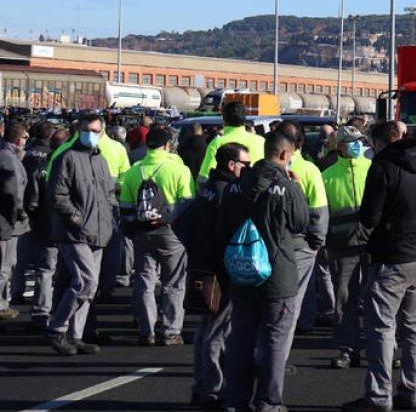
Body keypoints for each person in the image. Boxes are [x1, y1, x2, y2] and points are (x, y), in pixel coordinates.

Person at [341, 120, 416, 412]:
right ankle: (412, 390)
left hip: (391, 255)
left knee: (381, 327)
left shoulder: (383, 166)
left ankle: (379, 395)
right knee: (413, 326)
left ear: (380, 142)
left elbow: (370, 217)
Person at [220, 130, 309, 412]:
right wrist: (296, 189)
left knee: (240, 337)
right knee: (274, 339)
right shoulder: (287, 186)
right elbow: (300, 224)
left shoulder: (237, 184)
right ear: (284, 154)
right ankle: (269, 401)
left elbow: (225, 219)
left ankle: (235, 399)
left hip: (242, 269)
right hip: (277, 273)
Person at [117, 124, 194, 346]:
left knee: (144, 281)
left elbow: (126, 206)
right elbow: (188, 203)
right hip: (172, 234)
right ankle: (170, 331)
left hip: (143, 233)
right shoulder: (179, 170)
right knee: (174, 283)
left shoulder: (134, 171)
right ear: (167, 145)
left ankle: (146, 329)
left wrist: (135, 229)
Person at [47, 113, 115, 356]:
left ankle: (75, 335)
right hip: (74, 232)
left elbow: (108, 194)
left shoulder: (101, 161)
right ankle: (57, 328)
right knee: (86, 282)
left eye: (96, 130)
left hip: (99, 231)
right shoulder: (67, 158)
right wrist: (77, 218)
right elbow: (57, 196)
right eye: (87, 129)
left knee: (88, 286)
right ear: (79, 129)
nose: (91, 134)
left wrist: (109, 219)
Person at [186, 142, 248, 410]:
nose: (247, 168)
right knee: (218, 330)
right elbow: (228, 233)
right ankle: (212, 388)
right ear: (232, 165)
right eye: (245, 164)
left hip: (202, 262)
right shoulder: (228, 193)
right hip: (220, 268)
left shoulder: (208, 188)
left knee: (205, 327)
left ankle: (201, 385)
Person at [274, 120, 330, 337]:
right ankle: (303, 322)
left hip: (272, 237)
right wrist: (318, 241)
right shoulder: (309, 169)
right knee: (304, 284)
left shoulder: (262, 166)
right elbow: (318, 210)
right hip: (302, 239)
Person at [323, 125, 372, 369]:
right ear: (340, 147)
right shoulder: (328, 175)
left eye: (359, 140)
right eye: (351, 141)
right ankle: (347, 349)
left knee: (378, 298)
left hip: (373, 244)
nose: (357, 145)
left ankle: (383, 348)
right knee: (344, 299)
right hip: (342, 246)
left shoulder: (373, 169)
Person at [21, 121, 57, 331]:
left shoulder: (39, 169)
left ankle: (41, 313)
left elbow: (33, 201)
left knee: (44, 269)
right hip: (69, 227)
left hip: (44, 224)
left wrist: (33, 216)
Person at [0, 122, 29, 321]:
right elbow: (15, 192)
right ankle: (1, 305)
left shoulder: (6, 156)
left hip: (6, 219)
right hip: (7, 222)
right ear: (19, 140)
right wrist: (21, 214)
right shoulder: (11, 161)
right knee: (5, 265)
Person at [197, 101, 266, 180]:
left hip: (226, 189)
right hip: (256, 189)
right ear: (244, 119)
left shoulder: (217, 143)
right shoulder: (261, 141)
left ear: (223, 120)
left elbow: (205, 176)